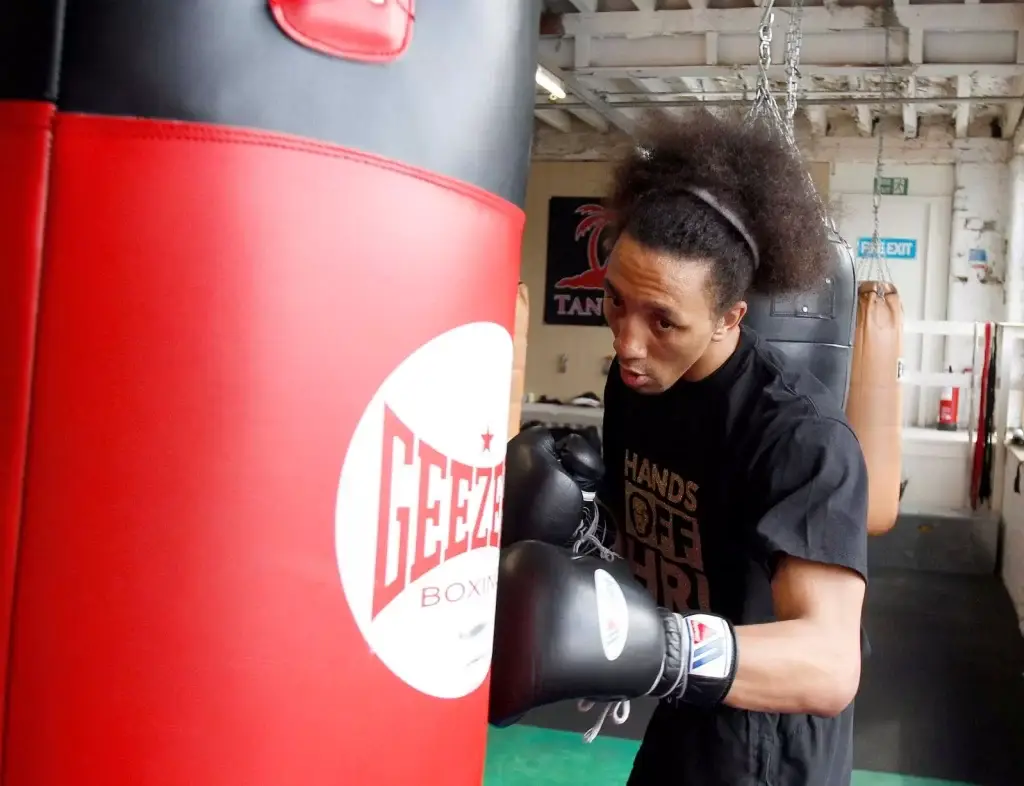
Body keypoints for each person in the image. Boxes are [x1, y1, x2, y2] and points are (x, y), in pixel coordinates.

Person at [595, 111, 869, 785]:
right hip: (687, 712)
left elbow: (830, 664)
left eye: (663, 320)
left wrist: (657, 649)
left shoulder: (800, 439)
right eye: (616, 302)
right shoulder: (635, 387)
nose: (628, 344)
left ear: (730, 318)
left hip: (771, 750)